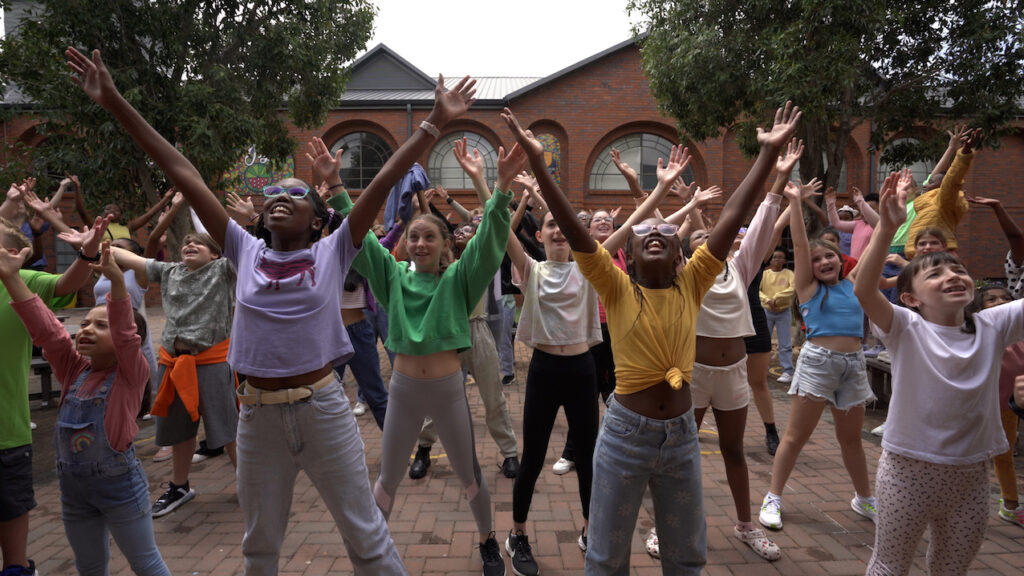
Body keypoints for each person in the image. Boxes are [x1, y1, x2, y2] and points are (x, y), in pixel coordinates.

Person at [65, 46, 474, 575]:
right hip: (255, 416)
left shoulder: (333, 250)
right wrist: (114, 100)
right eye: (274, 192)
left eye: (297, 193)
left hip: (322, 409)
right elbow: (183, 172)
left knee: (367, 539)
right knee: (259, 548)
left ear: (317, 218)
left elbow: (382, 182)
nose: (281, 195)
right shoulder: (244, 249)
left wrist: (434, 123)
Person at [501, 102, 800, 575]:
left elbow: (732, 218)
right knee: (606, 557)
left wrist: (765, 156)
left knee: (686, 556)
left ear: (681, 255)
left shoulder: (694, 282)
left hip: (681, 437)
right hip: (625, 435)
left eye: (664, 230)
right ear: (631, 255)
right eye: (644, 232)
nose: (655, 230)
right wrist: (540, 163)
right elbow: (577, 231)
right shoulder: (615, 285)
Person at [350, 127, 524, 576]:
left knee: (469, 473)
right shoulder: (393, 278)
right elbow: (359, 240)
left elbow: (490, 240)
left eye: (430, 237)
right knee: (388, 476)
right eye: (414, 238)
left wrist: (501, 185)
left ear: (447, 244)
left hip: (447, 391)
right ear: (405, 244)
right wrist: (335, 189)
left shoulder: (459, 279)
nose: (421, 244)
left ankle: (487, 540)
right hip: (405, 391)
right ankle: (374, 552)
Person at [854, 173, 1024, 575]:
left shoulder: (992, 325)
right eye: (934, 274)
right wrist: (887, 228)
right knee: (889, 565)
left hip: (971, 477)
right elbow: (863, 289)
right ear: (910, 298)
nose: (951, 275)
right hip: (906, 473)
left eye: (957, 268)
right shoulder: (904, 327)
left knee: (951, 569)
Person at [2, 241, 171, 576]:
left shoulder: (130, 373)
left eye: (101, 325)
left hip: (121, 490)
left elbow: (125, 334)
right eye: (85, 324)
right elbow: (48, 332)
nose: (87, 330)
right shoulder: (74, 370)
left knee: (145, 563)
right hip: (74, 493)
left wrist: (118, 283)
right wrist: (11, 278)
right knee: (89, 566)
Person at [758, 178, 877, 532]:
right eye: (816, 259)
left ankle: (864, 498)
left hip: (854, 366)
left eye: (830, 256)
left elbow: (880, 236)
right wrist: (795, 202)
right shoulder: (807, 289)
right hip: (818, 363)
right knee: (796, 436)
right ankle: (773, 497)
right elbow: (798, 241)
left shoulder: (855, 283)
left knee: (851, 439)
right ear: (808, 268)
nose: (824, 261)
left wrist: (879, 211)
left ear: (841, 260)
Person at [0, 212, 108, 576]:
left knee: (11, 507)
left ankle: (16, 567)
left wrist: (88, 254)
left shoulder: (21, 280)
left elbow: (66, 284)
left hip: (6, 429)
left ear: (12, 254)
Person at [504, 188, 604, 572]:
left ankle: (590, 529)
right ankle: (517, 533)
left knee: (588, 458)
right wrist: (488, 185)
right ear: (539, 234)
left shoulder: (589, 267)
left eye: (565, 226)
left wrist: (658, 190)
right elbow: (500, 230)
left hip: (582, 371)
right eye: (551, 225)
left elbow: (628, 227)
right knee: (532, 456)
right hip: (544, 371)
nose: (559, 231)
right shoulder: (532, 270)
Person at [110, 230, 238, 517]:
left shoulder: (223, 269)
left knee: (228, 428)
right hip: (173, 362)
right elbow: (128, 257)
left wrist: (239, 222)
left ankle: (249, 483)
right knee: (180, 430)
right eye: (186, 243)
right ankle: (179, 487)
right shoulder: (170, 271)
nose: (190, 244)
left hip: (211, 361)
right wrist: (92, 244)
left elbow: (240, 246)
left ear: (215, 254)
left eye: (199, 243)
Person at [761, 248, 796, 384]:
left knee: (785, 343)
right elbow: (757, 290)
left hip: (783, 312)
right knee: (764, 342)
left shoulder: (789, 274)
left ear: (785, 260)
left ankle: (788, 371)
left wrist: (776, 298)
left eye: (780, 257)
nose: (777, 260)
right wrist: (767, 300)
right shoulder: (764, 274)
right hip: (766, 311)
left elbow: (792, 289)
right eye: (775, 257)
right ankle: (762, 368)